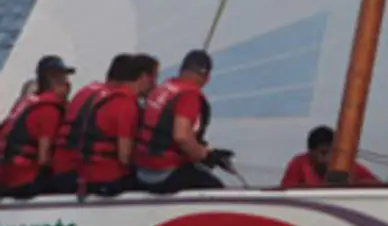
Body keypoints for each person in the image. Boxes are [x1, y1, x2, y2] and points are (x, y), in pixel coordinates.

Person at [135, 49, 234, 194]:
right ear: (206, 76)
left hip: (142, 170)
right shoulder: (189, 94)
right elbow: (181, 136)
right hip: (164, 173)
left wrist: (207, 150)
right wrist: (205, 156)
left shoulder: (162, 89)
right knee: (215, 188)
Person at [50, 53, 144, 197]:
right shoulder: (118, 101)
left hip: (65, 168)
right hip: (79, 171)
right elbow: (124, 155)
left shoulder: (87, 91)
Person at [0, 56, 74, 199]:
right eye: (63, 79)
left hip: (7, 175)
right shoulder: (48, 110)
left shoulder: (26, 103)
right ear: (52, 81)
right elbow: (43, 158)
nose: (68, 84)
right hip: (25, 181)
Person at [280, 126, 380, 188]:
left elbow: (376, 184)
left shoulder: (346, 165)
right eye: (323, 152)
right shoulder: (299, 164)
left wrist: (353, 183)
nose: (329, 157)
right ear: (311, 152)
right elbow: (286, 190)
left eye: (332, 152)